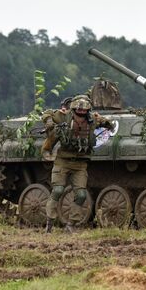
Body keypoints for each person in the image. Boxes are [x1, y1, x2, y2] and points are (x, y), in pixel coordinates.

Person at [41, 95, 114, 233]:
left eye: (84, 111)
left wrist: (102, 119)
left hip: (80, 164)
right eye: (78, 111)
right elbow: (46, 113)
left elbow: (109, 125)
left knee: (80, 195)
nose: (81, 113)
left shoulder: (92, 120)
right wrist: (49, 121)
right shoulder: (64, 117)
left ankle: (71, 224)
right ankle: (49, 224)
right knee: (57, 190)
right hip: (63, 161)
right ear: (73, 109)